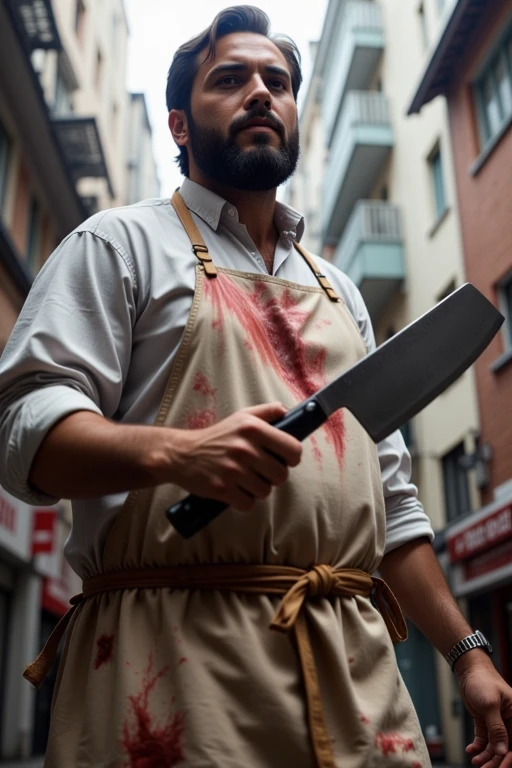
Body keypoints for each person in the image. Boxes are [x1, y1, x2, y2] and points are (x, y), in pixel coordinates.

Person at [0, 5, 511, 767]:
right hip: (170, 672)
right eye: (230, 79)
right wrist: (175, 454)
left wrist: (467, 654)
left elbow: (393, 499)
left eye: (277, 80)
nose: (261, 93)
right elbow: (25, 432)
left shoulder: (338, 290)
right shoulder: (117, 244)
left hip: (353, 674)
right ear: (179, 124)